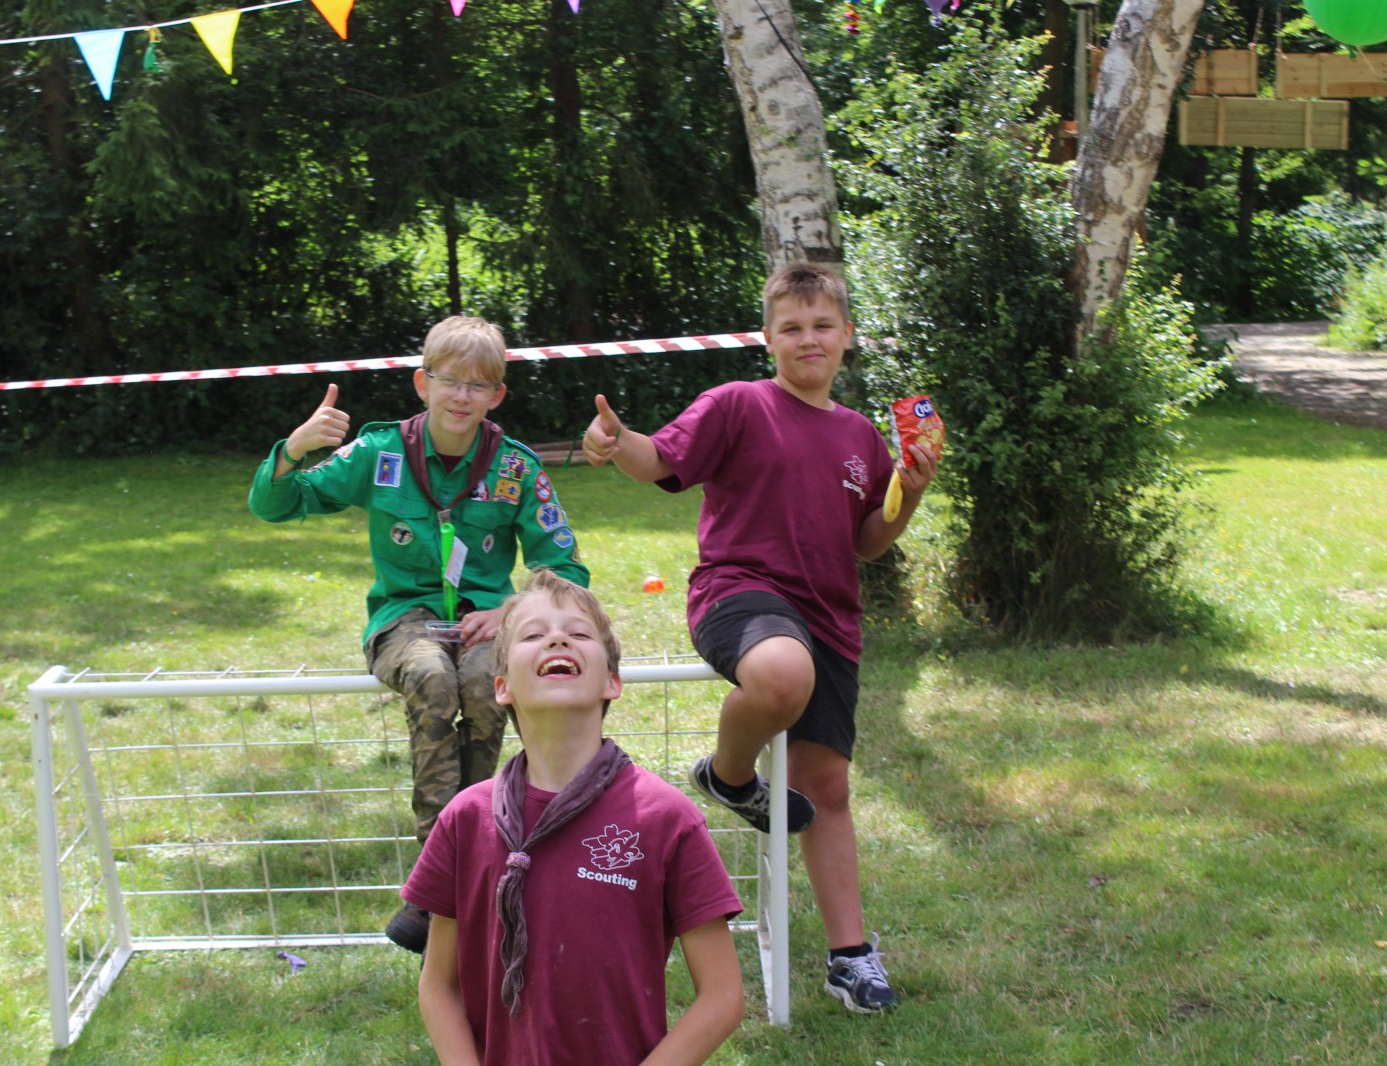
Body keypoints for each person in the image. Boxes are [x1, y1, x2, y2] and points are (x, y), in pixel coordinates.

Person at [580, 262, 938, 1014]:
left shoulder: (860, 436)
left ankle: (851, 958)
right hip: (739, 594)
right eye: (792, 328)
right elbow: (659, 459)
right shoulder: (738, 404)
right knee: (780, 675)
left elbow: (869, 542)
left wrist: (911, 492)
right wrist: (617, 442)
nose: (809, 340)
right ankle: (729, 776)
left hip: (830, 619)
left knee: (825, 788)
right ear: (768, 338)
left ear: (846, 336)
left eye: (823, 326)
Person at [248, 315, 590, 954]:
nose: (462, 396)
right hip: (403, 620)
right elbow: (274, 504)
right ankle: (443, 874)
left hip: (486, 620)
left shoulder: (515, 468)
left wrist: (512, 609)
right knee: (434, 679)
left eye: (478, 385)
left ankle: (461, 865)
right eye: (449, 380)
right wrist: (295, 448)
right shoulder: (379, 453)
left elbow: (566, 567)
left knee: (486, 685)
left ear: (497, 395)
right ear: (421, 384)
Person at [404, 569, 745, 1066]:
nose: (557, 639)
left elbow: (722, 997)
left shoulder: (667, 818)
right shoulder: (465, 818)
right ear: (502, 687)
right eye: (533, 635)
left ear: (612, 681)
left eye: (579, 634)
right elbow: (438, 986)